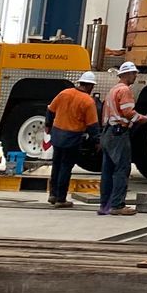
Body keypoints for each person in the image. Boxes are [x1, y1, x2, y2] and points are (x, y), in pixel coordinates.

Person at [45, 71, 99, 209]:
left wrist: (48, 125)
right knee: (66, 167)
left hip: (57, 134)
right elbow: (92, 125)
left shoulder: (64, 93)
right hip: (72, 137)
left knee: (56, 165)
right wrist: (97, 141)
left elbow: (50, 110)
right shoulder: (88, 101)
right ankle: (61, 199)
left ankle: (53, 194)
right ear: (90, 86)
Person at [98, 62, 144, 216]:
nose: (135, 76)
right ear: (126, 74)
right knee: (122, 169)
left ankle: (105, 205)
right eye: (133, 73)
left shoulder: (113, 90)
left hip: (108, 132)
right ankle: (117, 205)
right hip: (118, 133)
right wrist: (143, 119)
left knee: (107, 170)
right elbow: (128, 112)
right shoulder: (124, 90)